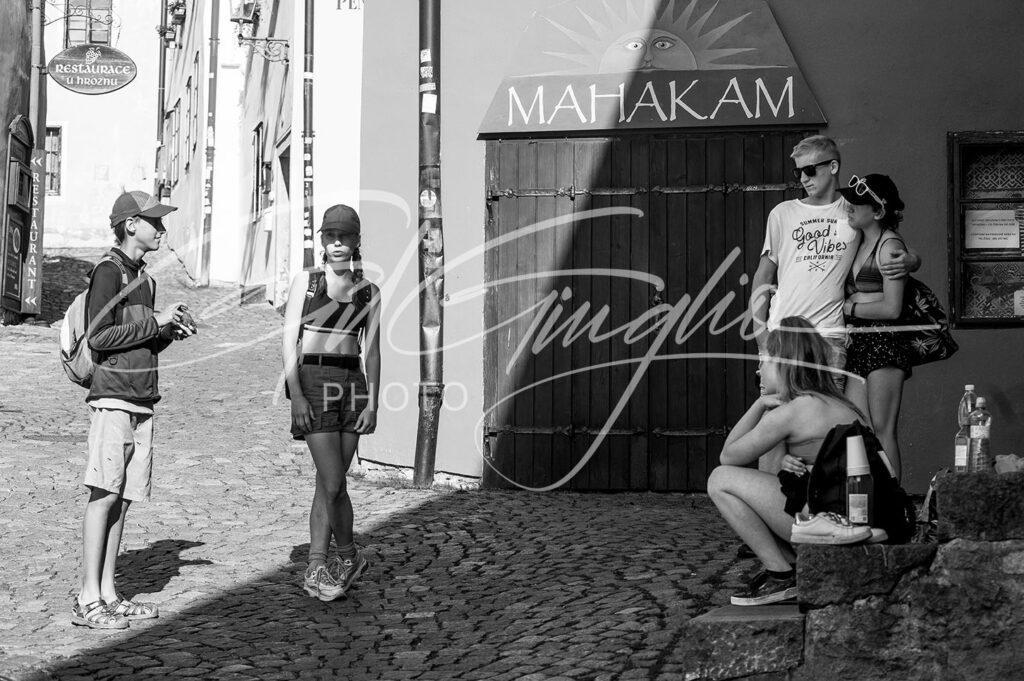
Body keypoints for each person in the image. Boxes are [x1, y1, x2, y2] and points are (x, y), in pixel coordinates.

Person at [747, 135, 918, 473]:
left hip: (830, 340)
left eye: (810, 170)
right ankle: (770, 512)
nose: (803, 179)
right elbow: (762, 275)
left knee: (824, 434)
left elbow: (888, 241)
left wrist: (912, 259)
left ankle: (819, 518)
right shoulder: (782, 213)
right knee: (773, 429)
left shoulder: (852, 213)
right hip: (782, 335)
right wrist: (759, 330)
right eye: (798, 172)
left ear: (833, 167)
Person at [73, 191, 194, 629]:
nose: (162, 230)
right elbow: (99, 337)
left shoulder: (145, 278)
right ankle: (88, 597)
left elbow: (138, 336)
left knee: (123, 499)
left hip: (142, 397)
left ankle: (108, 590)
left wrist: (166, 332)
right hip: (113, 397)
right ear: (130, 226)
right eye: (154, 222)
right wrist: (154, 323)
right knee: (103, 494)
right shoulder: (108, 271)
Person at [707, 316, 867, 606]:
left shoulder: (791, 411)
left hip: (829, 526)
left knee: (719, 480)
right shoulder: (841, 403)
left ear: (783, 362)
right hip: (857, 519)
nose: (759, 371)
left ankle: (781, 574)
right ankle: (792, 565)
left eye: (764, 362)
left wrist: (759, 404)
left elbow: (728, 456)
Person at [282, 204, 381, 602]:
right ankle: (323, 561)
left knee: (331, 483)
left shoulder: (369, 291)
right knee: (334, 480)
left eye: (345, 236)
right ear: (322, 240)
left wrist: (372, 402)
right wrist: (296, 395)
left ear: (357, 241)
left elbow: (371, 352)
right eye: (331, 236)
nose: (337, 243)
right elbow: (289, 342)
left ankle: (336, 560)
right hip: (314, 380)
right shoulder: (306, 283)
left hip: (352, 384)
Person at [838, 174, 912, 480]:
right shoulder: (856, 240)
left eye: (858, 203)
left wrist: (850, 307)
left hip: (886, 344)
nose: (849, 207)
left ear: (878, 211)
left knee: (883, 429)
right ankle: (871, 502)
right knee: (860, 427)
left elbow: (892, 308)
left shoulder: (890, 246)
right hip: (859, 343)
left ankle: (896, 506)